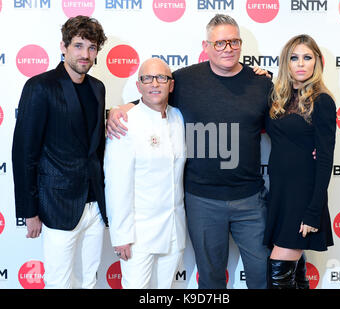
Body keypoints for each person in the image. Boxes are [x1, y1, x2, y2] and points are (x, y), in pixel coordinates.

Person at [107, 14, 272, 289]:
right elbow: (153, 93)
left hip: (250, 200)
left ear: (241, 45)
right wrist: (122, 109)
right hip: (202, 201)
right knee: (210, 279)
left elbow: (285, 119)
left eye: (233, 42)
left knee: (261, 274)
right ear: (206, 46)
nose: (227, 48)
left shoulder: (262, 83)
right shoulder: (184, 80)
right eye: (219, 43)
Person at [12, 16, 108, 289]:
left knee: (90, 280)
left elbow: (95, 147)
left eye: (91, 48)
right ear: (63, 47)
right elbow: (24, 152)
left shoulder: (97, 88)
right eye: (78, 46)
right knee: (59, 282)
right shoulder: (40, 86)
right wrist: (29, 211)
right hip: (57, 203)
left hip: (95, 205)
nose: (85, 54)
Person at [104, 58, 187, 289]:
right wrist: (121, 236)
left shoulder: (179, 117)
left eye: (161, 78)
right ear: (138, 85)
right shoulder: (125, 123)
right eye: (147, 78)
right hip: (139, 235)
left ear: (171, 85)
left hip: (174, 230)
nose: (154, 84)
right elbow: (117, 183)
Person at [263, 34, 336, 289]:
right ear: (286, 62)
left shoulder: (322, 101)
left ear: (317, 62)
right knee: (296, 276)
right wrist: (259, 77)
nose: (301, 64)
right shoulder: (278, 98)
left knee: (279, 275)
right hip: (280, 194)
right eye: (294, 58)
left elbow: (325, 159)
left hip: (302, 198)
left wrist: (313, 211)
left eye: (307, 57)